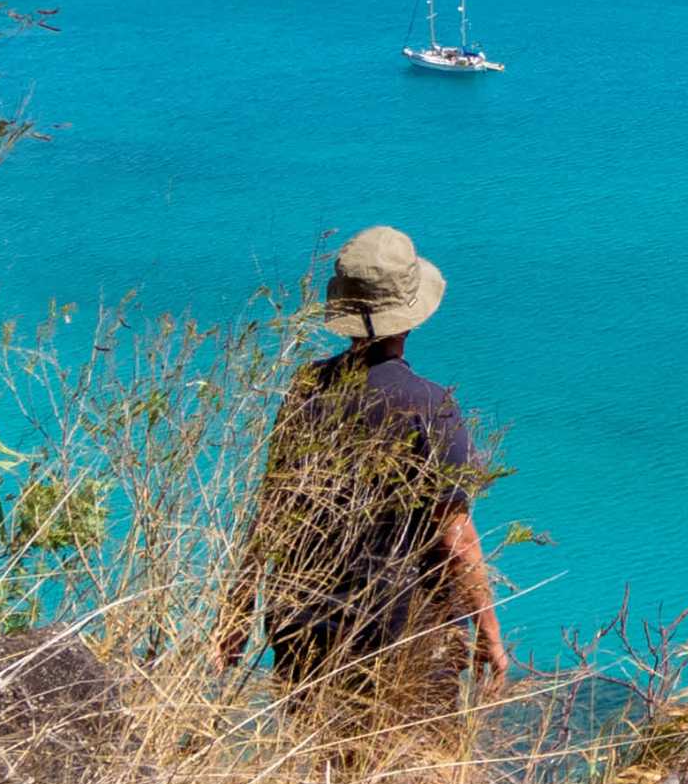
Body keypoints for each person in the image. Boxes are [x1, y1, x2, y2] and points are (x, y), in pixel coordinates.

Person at [216, 226, 509, 720]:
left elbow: (272, 513)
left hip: (302, 625)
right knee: (409, 774)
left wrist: (237, 614)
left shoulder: (305, 388)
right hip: (403, 631)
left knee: (324, 775)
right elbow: (455, 539)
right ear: (409, 315)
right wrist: (490, 635)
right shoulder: (430, 405)